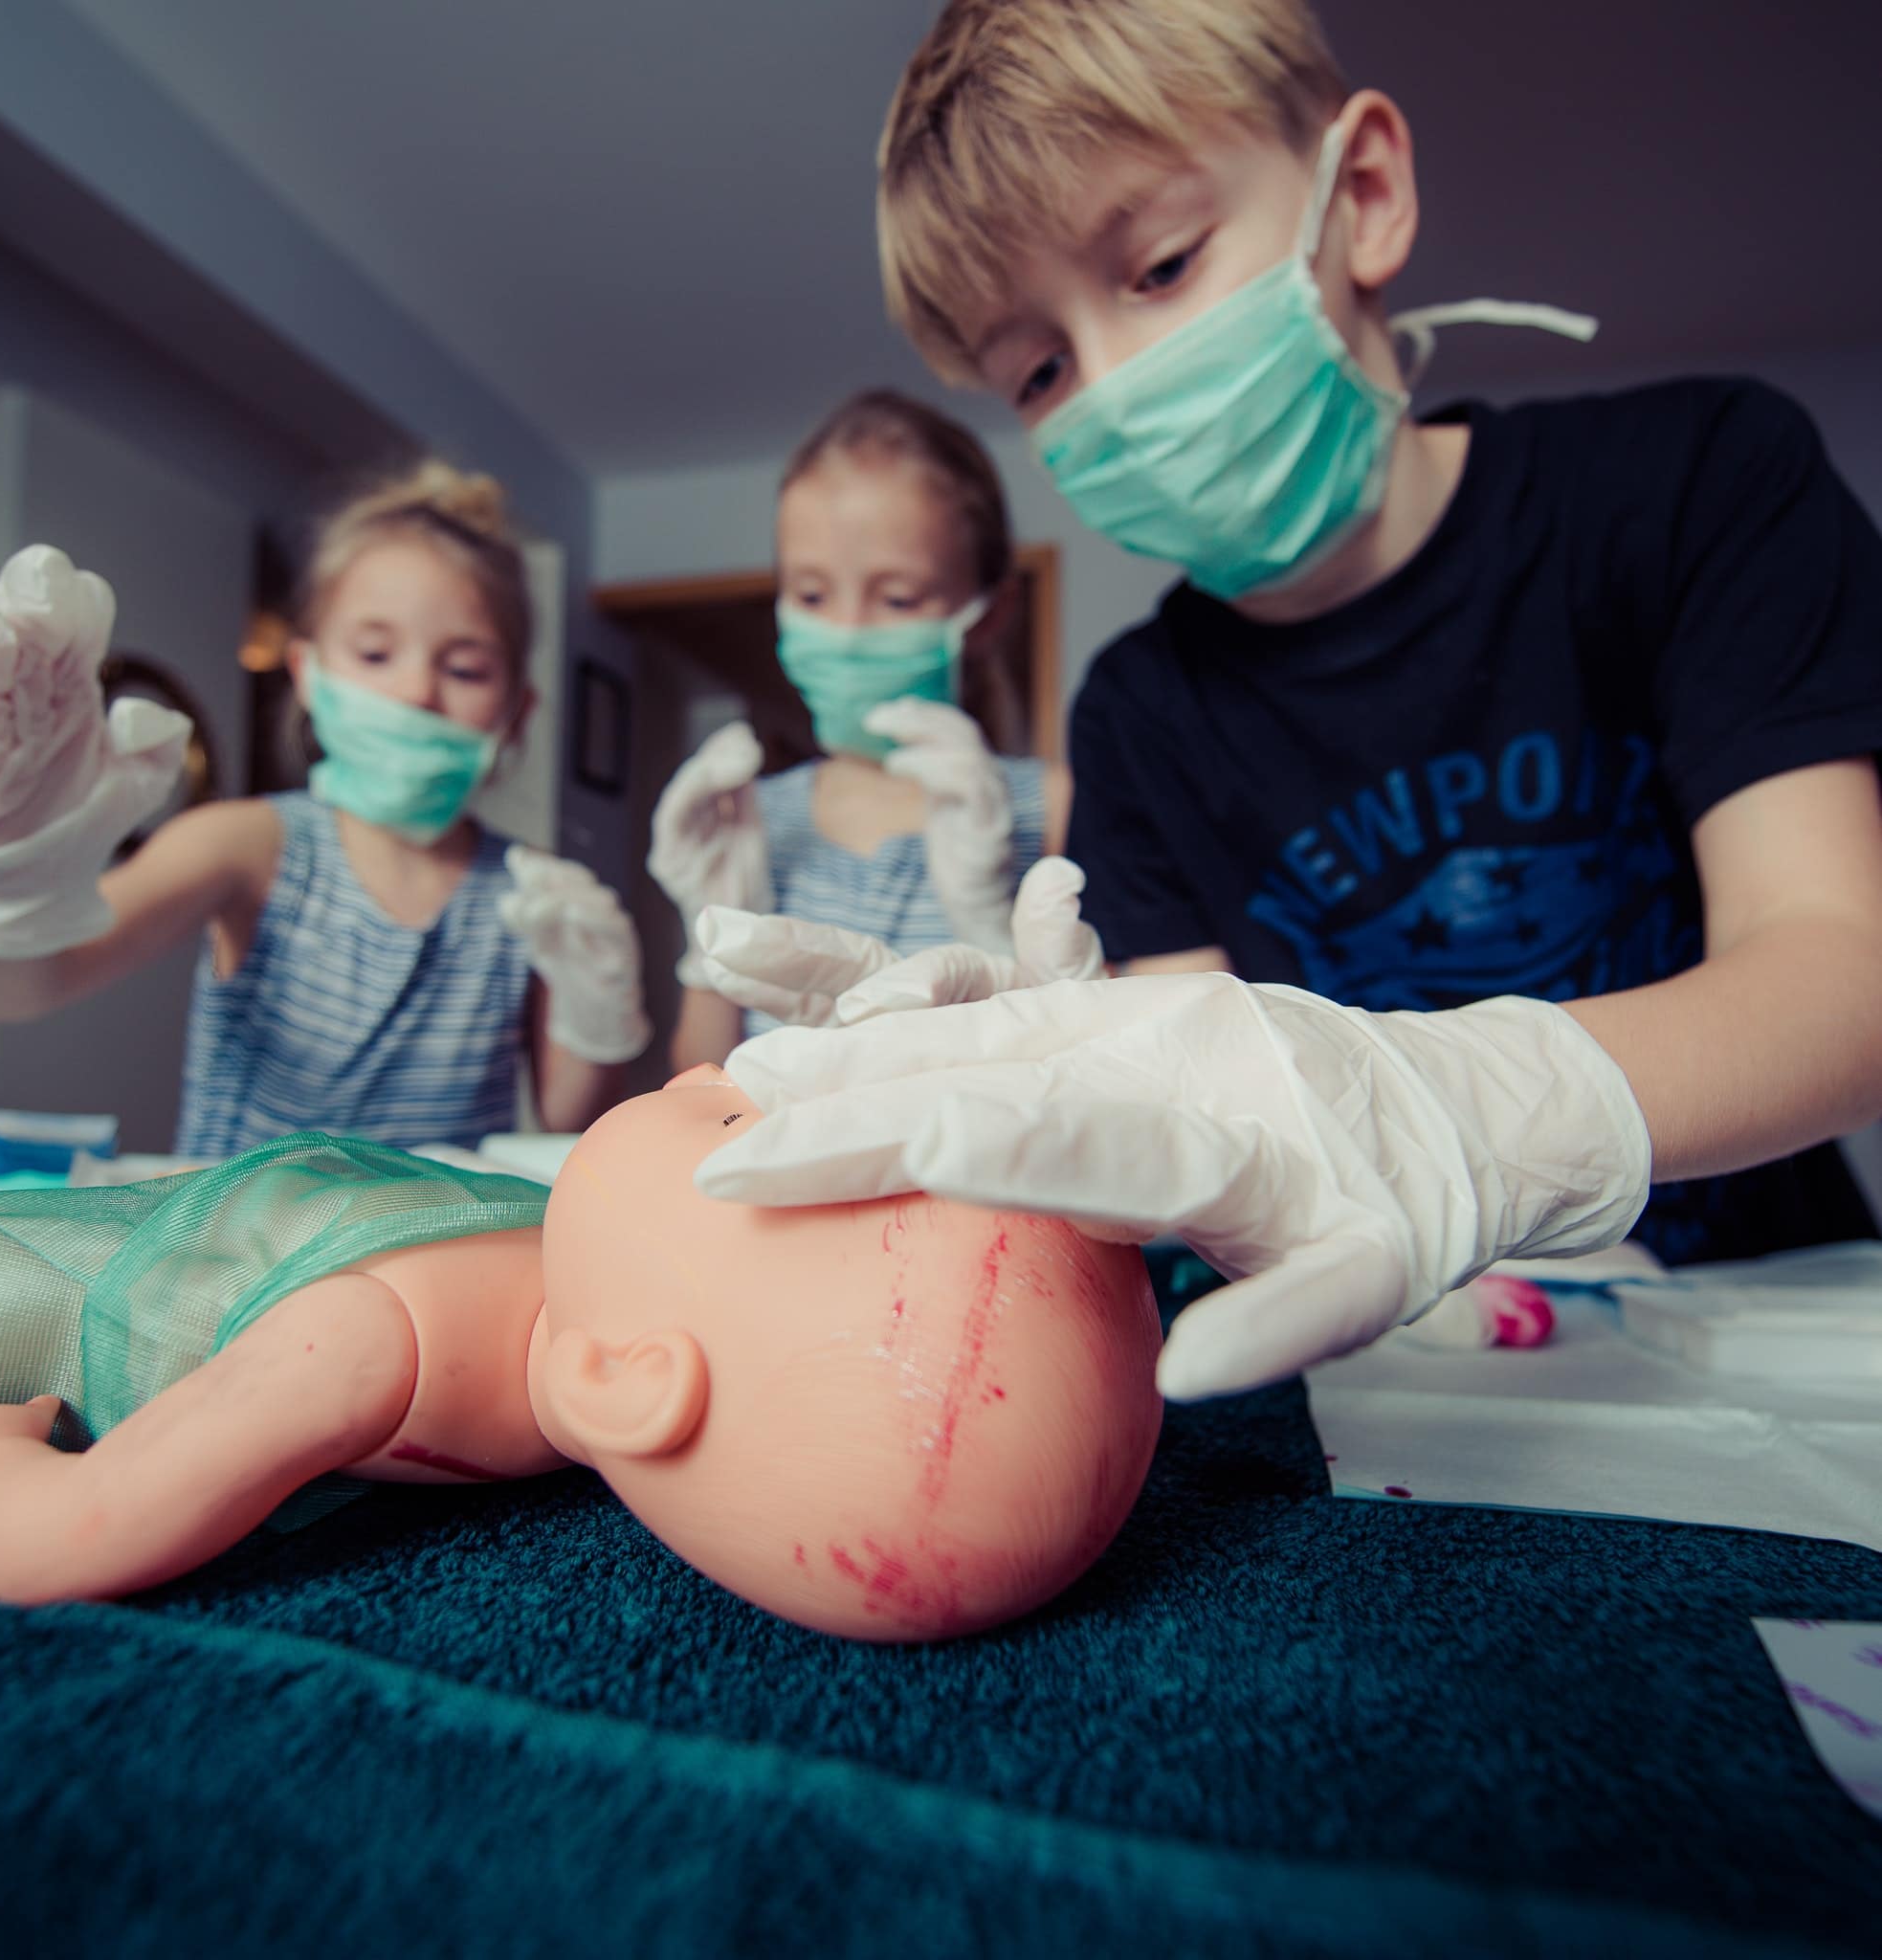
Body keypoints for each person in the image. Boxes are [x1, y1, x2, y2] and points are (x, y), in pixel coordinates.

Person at [692, 0, 1882, 1399]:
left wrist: (1482, 1113)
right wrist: (1089, 1087)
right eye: (1039, 368)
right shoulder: (1133, 719)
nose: (1114, 387)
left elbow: (1837, 969)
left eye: (1160, 266)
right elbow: (1212, 1138)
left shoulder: (1691, 485)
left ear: (1360, 195)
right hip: (1399, 1368)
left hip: (1767, 1329)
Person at [0, 1071, 1162, 1641]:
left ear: (620, 1378)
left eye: (734, 1119)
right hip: (246, 1203)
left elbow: (66, 1537)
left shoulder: (355, 1352)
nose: (716, 1067)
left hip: (34, 1280)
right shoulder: (605, 1290)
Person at [0, 462, 650, 1155]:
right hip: (239, 1267)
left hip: (433, 1269)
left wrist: (599, 1016)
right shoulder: (245, 846)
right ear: (306, 673)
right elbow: (13, 988)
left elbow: (567, 1124)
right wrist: (3, 866)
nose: (418, 692)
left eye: (464, 668)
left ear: (517, 712)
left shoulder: (535, 898)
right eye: (373, 654)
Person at [648, 390, 1072, 1069]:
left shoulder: (1046, 806)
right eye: (812, 594)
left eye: (897, 597)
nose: (845, 632)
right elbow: (699, 1085)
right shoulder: (755, 818)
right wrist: (708, 945)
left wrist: (989, 926)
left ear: (989, 614)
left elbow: (1098, 1072)